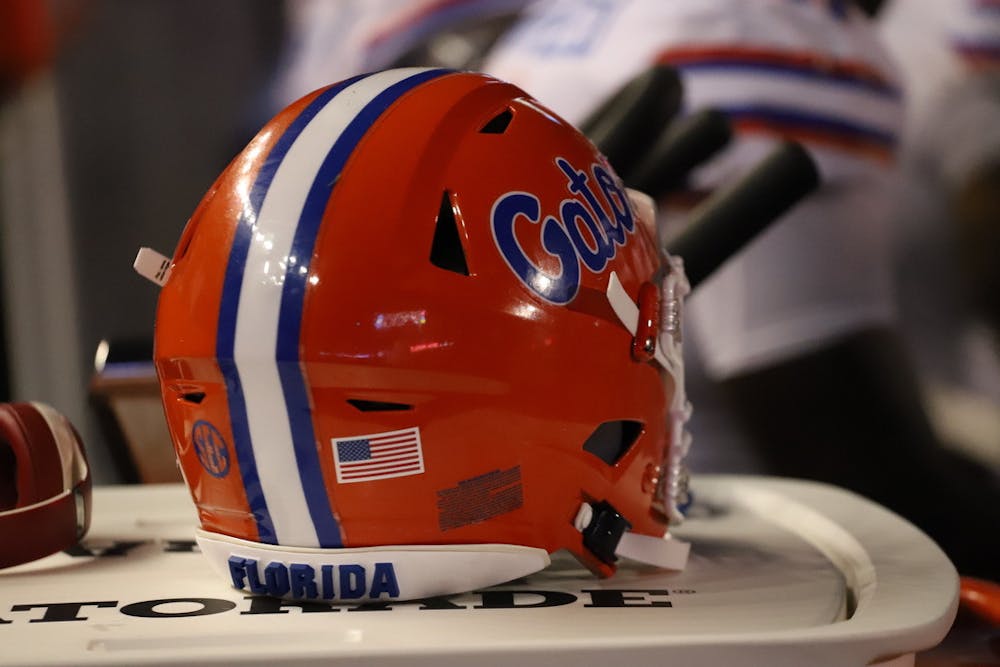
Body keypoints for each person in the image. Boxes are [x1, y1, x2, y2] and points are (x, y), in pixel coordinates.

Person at [483, 0, 1000, 578]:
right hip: (676, 564)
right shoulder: (757, 33)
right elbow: (861, 483)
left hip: (533, 540)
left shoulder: (594, 22)